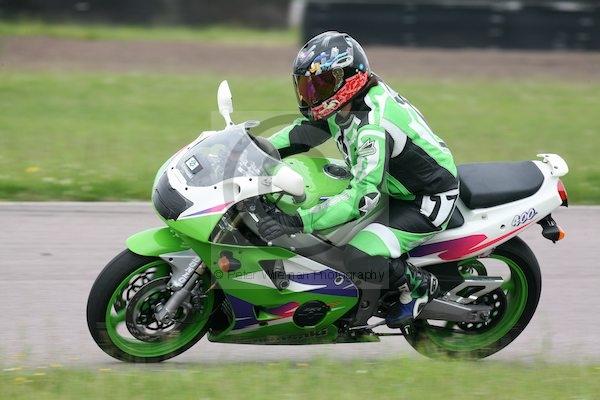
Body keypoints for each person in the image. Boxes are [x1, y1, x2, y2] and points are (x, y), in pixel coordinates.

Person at [257, 31, 459, 331]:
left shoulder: (371, 127)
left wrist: (299, 222)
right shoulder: (348, 102)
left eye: (320, 84)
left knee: (358, 255)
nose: (311, 93)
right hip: (390, 184)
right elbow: (304, 133)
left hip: (424, 199)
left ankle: (418, 286)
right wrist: (256, 149)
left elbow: (362, 197)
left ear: (349, 79)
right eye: (306, 86)